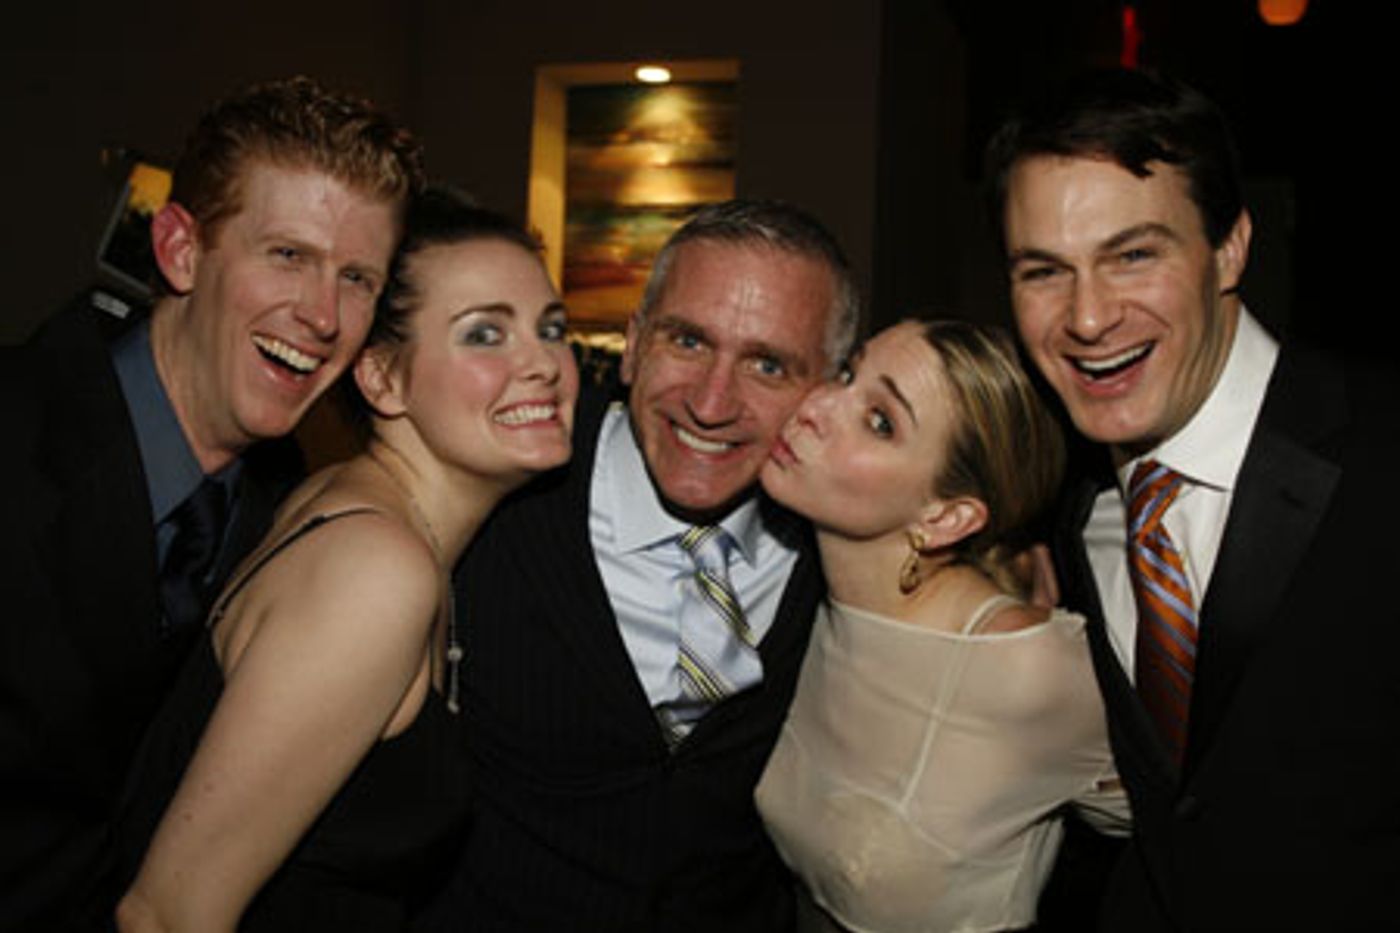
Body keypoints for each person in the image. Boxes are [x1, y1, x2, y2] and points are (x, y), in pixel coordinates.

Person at [0, 76, 421, 930]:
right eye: (288, 255)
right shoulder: (20, 432)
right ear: (181, 249)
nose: (323, 316)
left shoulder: (292, 521)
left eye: (356, 278)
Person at [987, 68, 1400, 930]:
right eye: (1044, 271)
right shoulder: (1068, 503)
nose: (1087, 318)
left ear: (1230, 248)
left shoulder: (1376, 453)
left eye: (1133, 255)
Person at [112, 189, 579, 931]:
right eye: (485, 333)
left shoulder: (352, 500)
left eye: (551, 328)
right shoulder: (375, 569)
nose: (544, 364)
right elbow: (165, 912)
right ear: (382, 377)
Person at [416, 199, 860, 932]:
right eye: (687, 340)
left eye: (768, 365)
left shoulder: (847, 546)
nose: (712, 403)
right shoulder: (497, 493)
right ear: (632, 345)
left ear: (829, 392)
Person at [755, 319, 1127, 933]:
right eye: (847, 374)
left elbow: (1177, 818)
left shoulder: (1024, 667)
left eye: (880, 421)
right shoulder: (796, 595)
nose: (816, 406)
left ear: (945, 518)